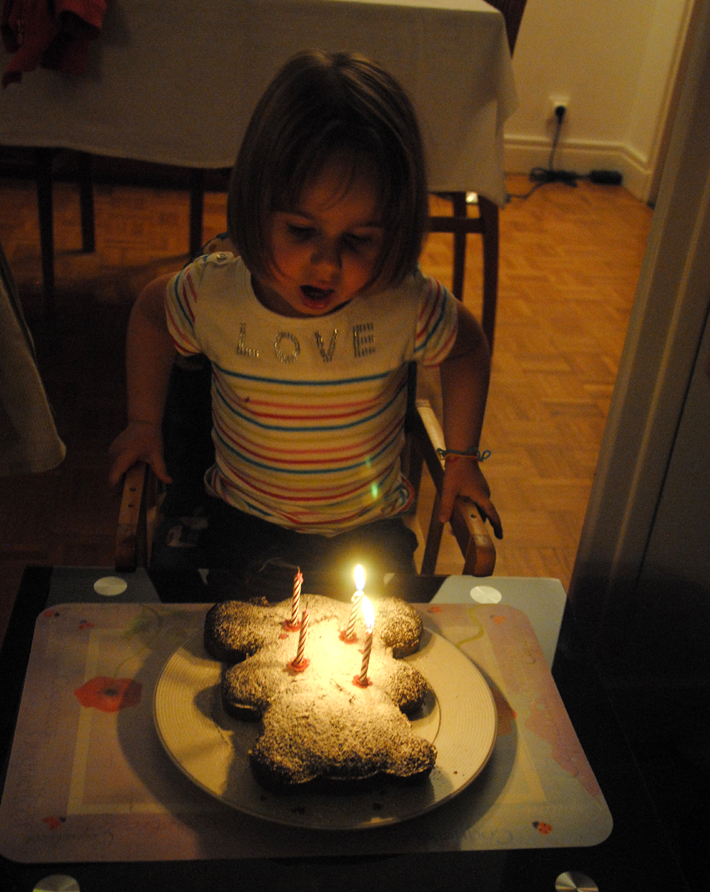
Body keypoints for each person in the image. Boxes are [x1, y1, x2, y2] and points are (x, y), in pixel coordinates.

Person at [108, 50, 501, 584]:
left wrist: (462, 457)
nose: (327, 264)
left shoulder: (403, 303)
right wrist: (142, 422)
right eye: (300, 230)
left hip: (369, 530)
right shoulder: (214, 295)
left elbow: (467, 347)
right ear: (255, 206)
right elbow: (152, 317)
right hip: (243, 524)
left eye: (359, 240)